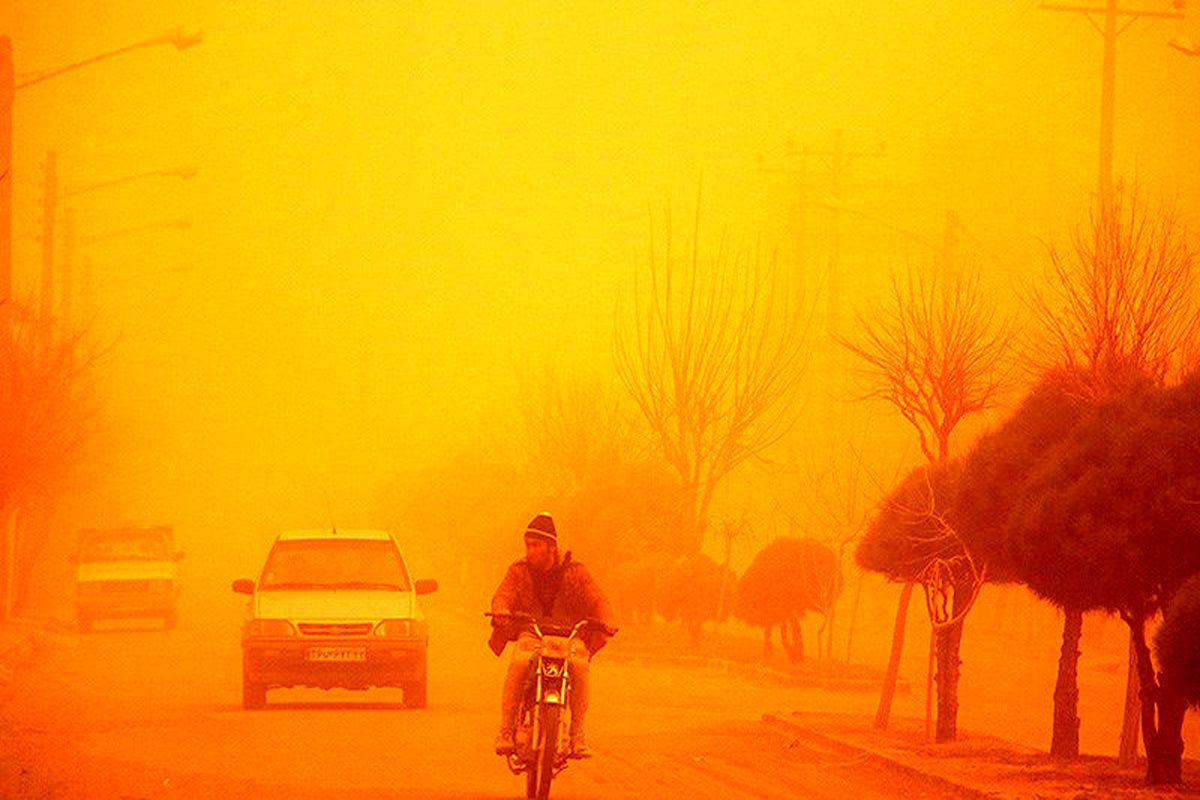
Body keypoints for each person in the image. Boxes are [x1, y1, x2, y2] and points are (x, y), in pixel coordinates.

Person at [489, 512, 614, 759]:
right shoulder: (518, 570)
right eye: (527, 545)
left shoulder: (576, 571)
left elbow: (598, 599)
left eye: (536, 545)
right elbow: (503, 594)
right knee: (519, 662)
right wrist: (501, 610)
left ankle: (577, 735)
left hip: (569, 639)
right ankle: (506, 729)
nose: (530, 551)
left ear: (551, 547)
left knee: (579, 666)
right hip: (531, 634)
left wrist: (607, 620)